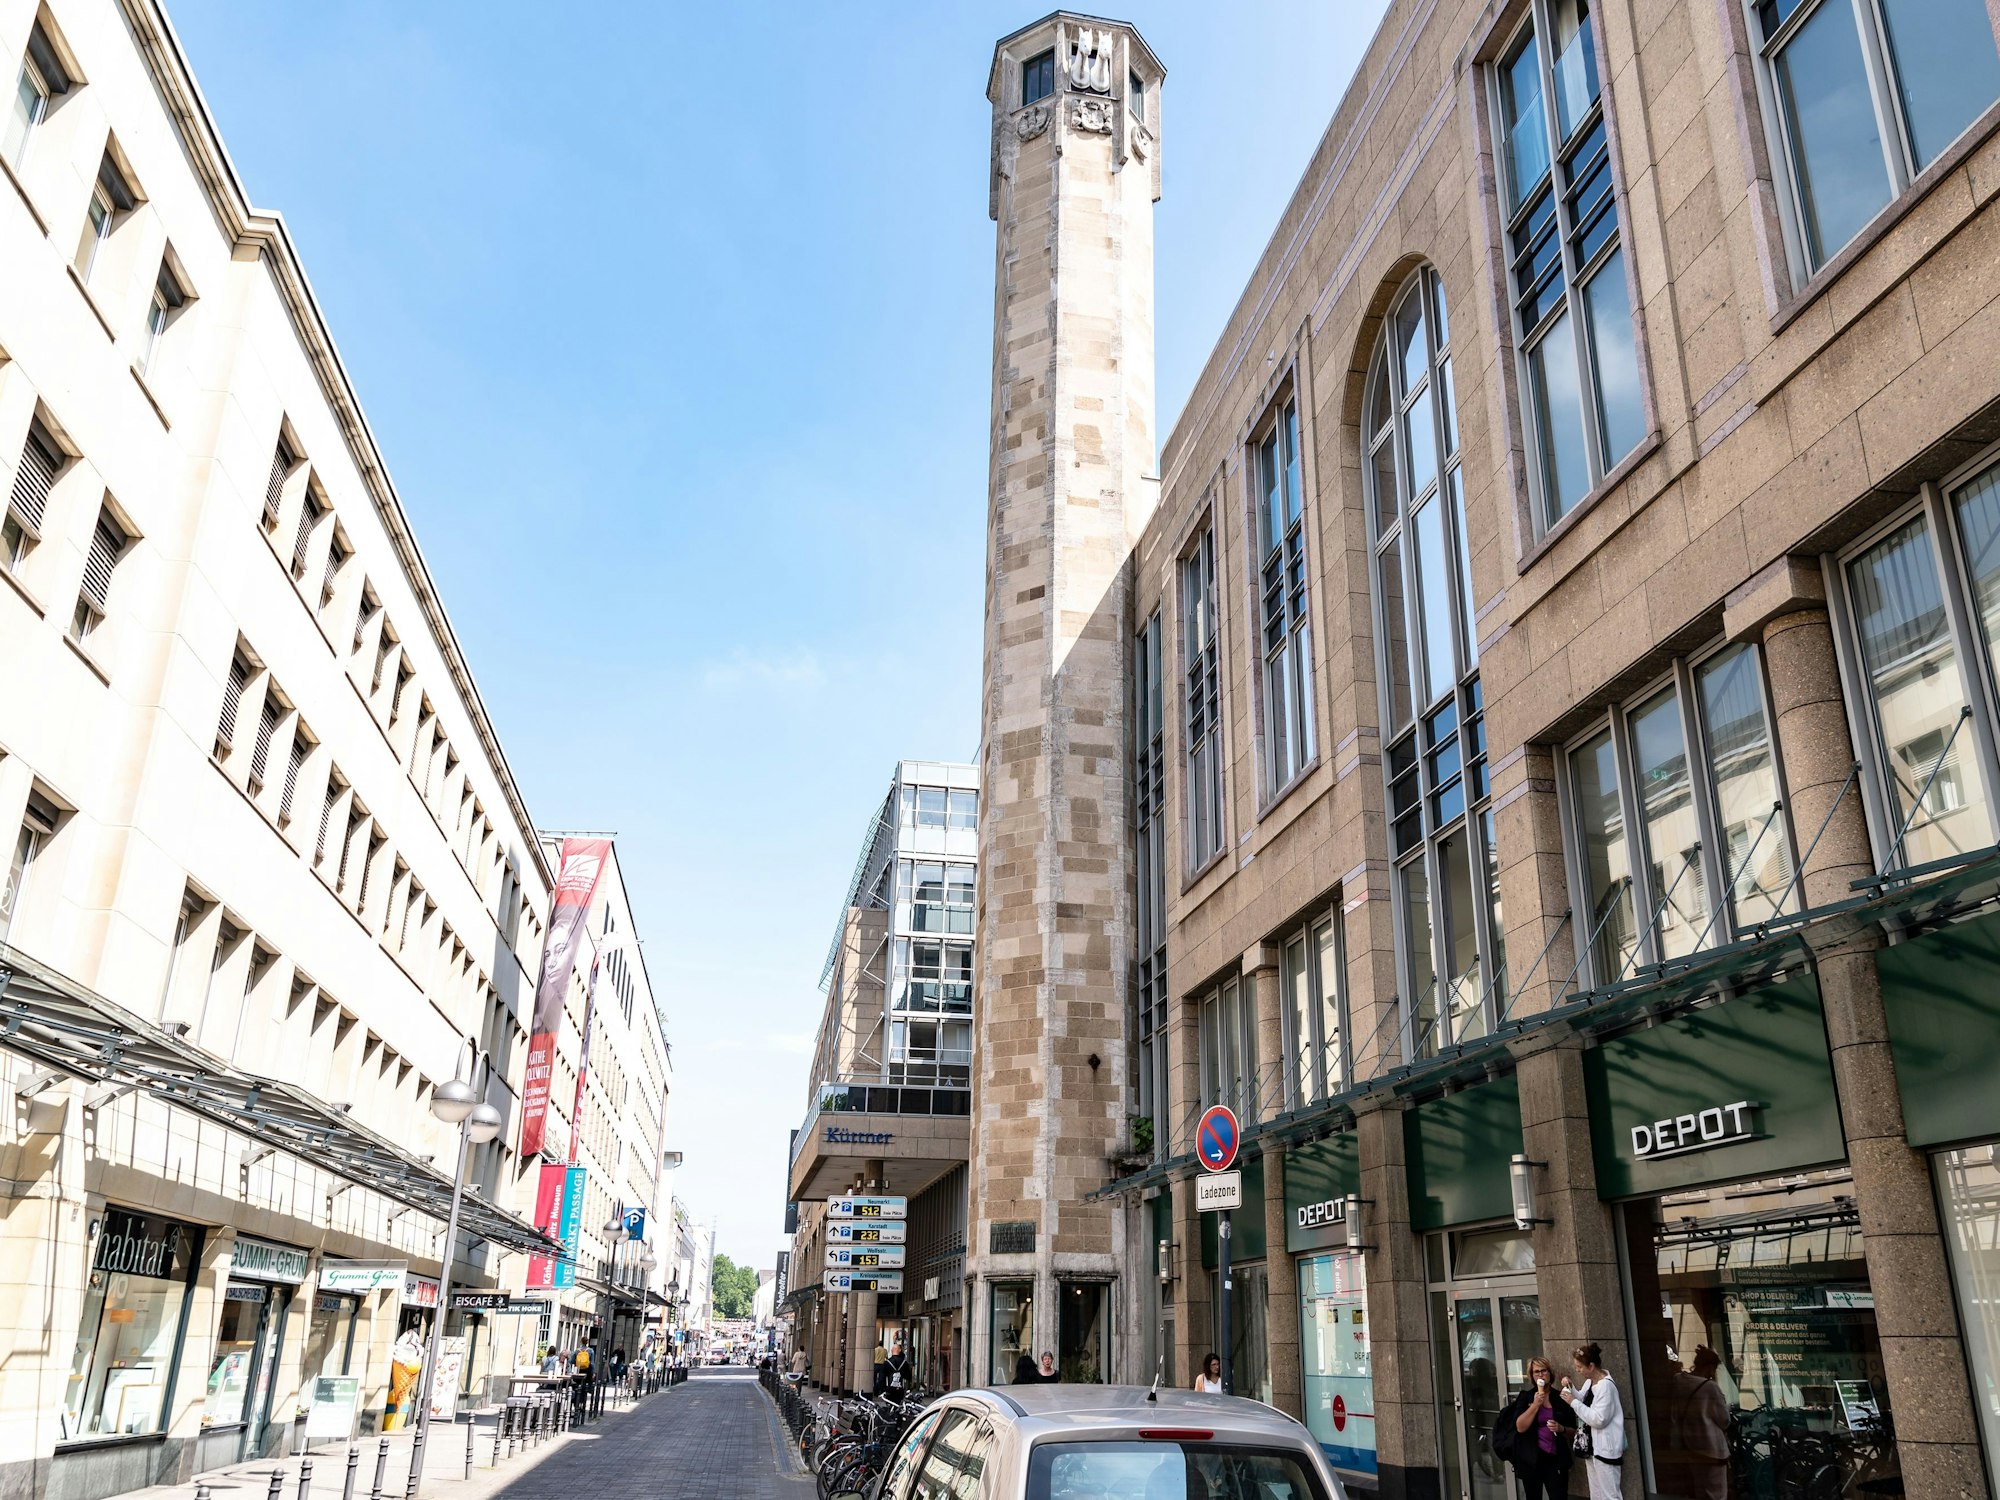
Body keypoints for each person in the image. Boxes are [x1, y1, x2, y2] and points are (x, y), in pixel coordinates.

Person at [1493, 1355, 1576, 1500]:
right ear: (1531, 1376)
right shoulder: (1526, 1397)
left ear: (1550, 1373)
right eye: (1536, 1372)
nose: (1541, 1375)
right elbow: (1520, 1427)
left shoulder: (1560, 1398)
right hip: (1531, 1459)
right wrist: (1536, 1405)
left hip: (1555, 1459)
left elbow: (1573, 1431)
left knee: (1559, 1495)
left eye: (1544, 1371)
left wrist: (1561, 1428)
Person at [1560, 1342, 1626, 1500]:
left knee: (1610, 1495)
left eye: (1579, 1367)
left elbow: (1599, 1419)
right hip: (1592, 1447)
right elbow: (1582, 1399)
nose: (1577, 1370)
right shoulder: (1590, 1382)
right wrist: (1571, 1387)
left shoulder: (1606, 1387)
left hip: (1605, 1449)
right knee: (1596, 1494)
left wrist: (1572, 1402)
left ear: (1591, 1366)